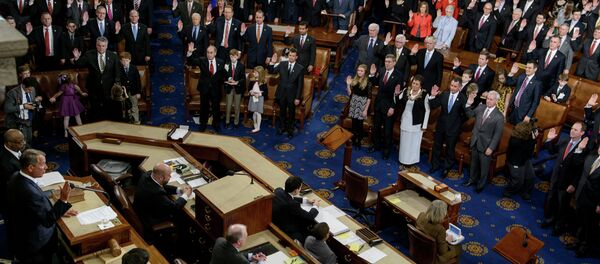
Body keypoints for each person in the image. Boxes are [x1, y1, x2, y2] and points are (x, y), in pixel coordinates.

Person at [6, 149, 78, 263]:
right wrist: (63, 200)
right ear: (30, 168)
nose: (46, 167)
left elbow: (33, 208)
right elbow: (47, 220)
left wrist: (58, 209)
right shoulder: (30, 192)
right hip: (35, 244)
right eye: (42, 164)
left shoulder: (17, 176)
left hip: (19, 231)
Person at [541, 123, 587, 236]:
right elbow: (552, 151)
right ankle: (549, 219)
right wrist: (550, 140)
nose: (572, 131)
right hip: (556, 177)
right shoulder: (565, 139)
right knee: (551, 198)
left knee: (562, 204)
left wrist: (573, 184)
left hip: (567, 182)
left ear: (582, 133)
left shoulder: (583, 148)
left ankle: (558, 226)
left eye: (576, 130)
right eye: (572, 128)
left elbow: (579, 169)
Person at [133, 163, 192, 239]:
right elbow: (174, 207)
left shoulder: (147, 175)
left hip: (141, 207)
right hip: (149, 218)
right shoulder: (156, 193)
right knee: (183, 217)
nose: (170, 177)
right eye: (169, 175)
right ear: (161, 177)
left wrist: (178, 190)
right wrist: (186, 195)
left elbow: (160, 185)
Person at [463, 90, 505, 193]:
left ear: (496, 101)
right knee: (473, 164)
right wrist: (469, 103)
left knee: (484, 168)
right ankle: (471, 180)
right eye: (487, 99)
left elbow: (497, 135)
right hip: (475, 141)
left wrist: (491, 148)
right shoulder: (481, 107)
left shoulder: (499, 116)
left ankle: (480, 185)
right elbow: (469, 114)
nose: (488, 101)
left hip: (486, 146)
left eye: (491, 99)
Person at [72, 36, 121, 121]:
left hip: (109, 87)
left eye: (103, 46)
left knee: (108, 107)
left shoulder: (113, 56)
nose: (101, 48)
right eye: (99, 45)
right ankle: (96, 126)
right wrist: (76, 58)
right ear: (96, 45)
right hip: (94, 86)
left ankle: (108, 125)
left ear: (106, 46)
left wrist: (117, 84)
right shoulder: (89, 54)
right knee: (95, 108)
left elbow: (117, 72)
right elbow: (79, 64)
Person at [429, 77, 468, 177]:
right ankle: (435, 165)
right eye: (451, 85)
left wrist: (458, 122)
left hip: (453, 129)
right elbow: (434, 105)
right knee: (437, 146)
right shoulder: (444, 94)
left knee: (450, 149)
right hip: (441, 126)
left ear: (459, 87)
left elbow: (466, 114)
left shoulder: (463, 98)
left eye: (455, 86)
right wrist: (432, 96)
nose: (452, 88)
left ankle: (446, 168)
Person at [368, 55, 403, 160]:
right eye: (385, 61)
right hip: (378, 105)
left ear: (394, 62)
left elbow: (397, 95)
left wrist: (392, 107)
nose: (387, 63)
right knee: (376, 127)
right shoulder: (382, 70)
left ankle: (386, 151)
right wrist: (372, 75)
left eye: (389, 62)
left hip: (389, 107)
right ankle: (376, 145)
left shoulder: (398, 75)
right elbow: (374, 83)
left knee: (388, 131)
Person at [186, 45, 225, 132]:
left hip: (216, 89)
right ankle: (203, 123)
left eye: (211, 53)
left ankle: (216, 124)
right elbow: (191, 62)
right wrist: (190, 53)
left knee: (216, 108)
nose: (209, 54)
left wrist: (228, 79)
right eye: (208, 52)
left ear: (215, 53)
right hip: (204, 88)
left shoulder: (221, 62)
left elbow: (222, 74)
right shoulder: (202, 60)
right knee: (204, 107)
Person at [571, 143, 600, 258]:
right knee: (581, 221)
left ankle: (585, 247)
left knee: (589, 226)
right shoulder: (594, 158)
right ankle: (577, 242)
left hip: (594, 201)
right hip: (584, 195)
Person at [268, 48, 305, 138]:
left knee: (291, 114)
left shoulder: (300, 68)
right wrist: (272, 63)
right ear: (288, 56)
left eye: (293, 56)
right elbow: (271, 71)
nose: (291, 57)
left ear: (296, 57)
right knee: (282, 112)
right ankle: (282, 127)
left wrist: (297, 98)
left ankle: (290, 130)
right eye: (290, 55)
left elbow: (300, 85)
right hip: (282, 93)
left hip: (292, 95)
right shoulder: (282, 64)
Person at [272, 176, 320, 242]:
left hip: (275, 219)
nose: (300, 189)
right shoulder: (293, 204)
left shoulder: (278, 190)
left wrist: (305, 200)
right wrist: (315, 206)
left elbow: (287, 197)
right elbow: (309, 216)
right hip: (287, 228)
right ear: (296, 190)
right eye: (300, 187)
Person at [397, 75, 430, 168]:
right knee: (404, 141)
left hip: (416, 122)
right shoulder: (405, 91)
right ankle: (403, 160)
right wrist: (396, 94)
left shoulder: (424, 95)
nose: (414, 85)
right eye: (413, 83)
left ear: (421, 86)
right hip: (405, 120)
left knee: (413, 142)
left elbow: (427, 110)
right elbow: (398, 101)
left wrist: (424, 126)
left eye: (417, 84)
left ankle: (411, 162)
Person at [503, 120, 540, 201]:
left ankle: (524, 192)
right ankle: (508, 192)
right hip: (515, 162)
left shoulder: (525, 137)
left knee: (530, 177)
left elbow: (528, 155)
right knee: (518, 181)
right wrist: (533, 139)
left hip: (524, 159)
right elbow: (530, 153)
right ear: (525, 132)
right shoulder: (515, 141)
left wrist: (532, 138)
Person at [4, 77, 42, 146]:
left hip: (29, 121)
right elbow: (7, 109)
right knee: (21, 144)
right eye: (29, 89)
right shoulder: (12, 93)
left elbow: (31, 102)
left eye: (32, 89)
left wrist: (36, 102)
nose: (31, 91)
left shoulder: (32, 89)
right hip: (17, 122)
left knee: (29, 141)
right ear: (24, 85)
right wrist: (23, 106)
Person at [49, 73, 87, 137]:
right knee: (67, 117)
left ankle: (81, 129)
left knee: (77, 116)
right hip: (66, 102)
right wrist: (53, 97)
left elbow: (79, 90)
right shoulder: (64, 86)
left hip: (73, 101)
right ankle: (66, 132)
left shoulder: (74, 85)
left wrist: (82, 93)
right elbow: (59, 93)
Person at [345, 64, 372, 149]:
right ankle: (353, 140)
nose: (359, 72)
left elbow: (369, 98)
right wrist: (348, 84)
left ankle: (359, 142)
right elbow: (350, 94)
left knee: (359, 125)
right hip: (354, 102)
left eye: (361, 71)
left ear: (365, 72)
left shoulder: (368, 82)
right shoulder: (355, 79)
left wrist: (365, 110)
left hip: (362, 104)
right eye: (358, 70)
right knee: (354, 123)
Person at [0, 129, 26, 213]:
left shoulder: (17, 148)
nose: (24, 143)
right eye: (20, 141)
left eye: (24, 139)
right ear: (10, 143)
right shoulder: (5, 163)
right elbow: (14, 185)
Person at [224, 49, 246, 129]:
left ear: (237, 57)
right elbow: (224, 75)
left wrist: (237, 82)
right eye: (231, 56)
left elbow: (243, 78)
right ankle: (227, 121)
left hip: (237, 88)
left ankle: (236, 122)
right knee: (228, 106)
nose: (233, 58)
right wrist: (229, 79)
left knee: (237, 107)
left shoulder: (241, 66)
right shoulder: (226, 64)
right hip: (229, 87)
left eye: (234, 56)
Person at [119, 52, 142, 124]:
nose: (125, 62)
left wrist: (138, 92)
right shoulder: (119, 69)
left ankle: (136, 121)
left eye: (126, 60)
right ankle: (128, 120)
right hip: (123, 92)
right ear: (120, 61)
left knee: (134, 106)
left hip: (133, 91)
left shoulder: (134, 68)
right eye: (123, 60)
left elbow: (138, 81)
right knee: (126, 106)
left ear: (130, 60)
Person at [248, 66, 268, 133]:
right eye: (254, 72)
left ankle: (258, 127)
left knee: (258, 112)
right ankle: (255, 125)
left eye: (256, 73)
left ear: (260, 74)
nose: (254, 73)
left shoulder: (263, 82)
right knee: (254, 112)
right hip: (253, 98)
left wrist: (259, 94)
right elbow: (249, 89)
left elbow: (265, 93)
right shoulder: (252, 81)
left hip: (259, 99)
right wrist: (251, 92)